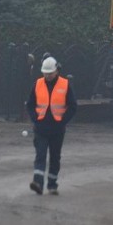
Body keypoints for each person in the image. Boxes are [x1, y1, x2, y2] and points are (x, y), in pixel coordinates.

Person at [25, 56, 77, 195]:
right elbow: (30, 104)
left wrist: (63, 120)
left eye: (50, 73)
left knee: (55, 157)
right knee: (40, 155)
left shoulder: (65, 85)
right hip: (41, 128)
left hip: (57, 129)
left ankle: (52, 185)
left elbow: (73, 106)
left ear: (56, 71)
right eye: (45, 73)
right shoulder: (38, 84)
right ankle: (38, 183)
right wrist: (35, 118)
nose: (47, 75)